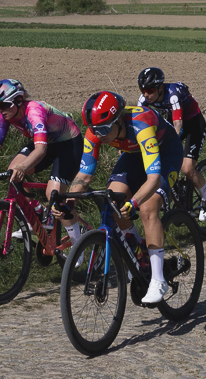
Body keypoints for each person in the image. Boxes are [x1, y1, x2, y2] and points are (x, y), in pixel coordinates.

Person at [72, 91, 184, 304]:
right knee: (113, 199)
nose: (99, 135)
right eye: (95, 130)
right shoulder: (96, 132)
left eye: (104, 129)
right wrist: (68, 201)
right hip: (133, 155)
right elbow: (84, 175)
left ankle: (159, 280)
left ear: (119, 121)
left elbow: (152, 179)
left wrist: (134, 202)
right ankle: (138, 250)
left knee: (148, 208)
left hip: (166, 152)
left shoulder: (140, 125)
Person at [0, 79, 85, 245]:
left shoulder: (34, 111)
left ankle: (79, 244)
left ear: (19, 100)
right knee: (12, 171)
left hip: (68, 145)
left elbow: (41, 150)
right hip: (45, 141)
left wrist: (23, 167)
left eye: (3, 105)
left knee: (54, 196)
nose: (0, 110)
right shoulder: (6, 115)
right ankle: (37, 212)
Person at [137, 67, 206, 221]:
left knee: (187, 168)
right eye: (143, 90)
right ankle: (178, 189)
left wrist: (167, 144)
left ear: (160, 88)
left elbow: (178, 123)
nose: (146, 94)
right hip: (172, 123)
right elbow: (138, 123)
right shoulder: (144, 99)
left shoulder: (173, 94)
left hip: (193, 125)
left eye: (150, 90)